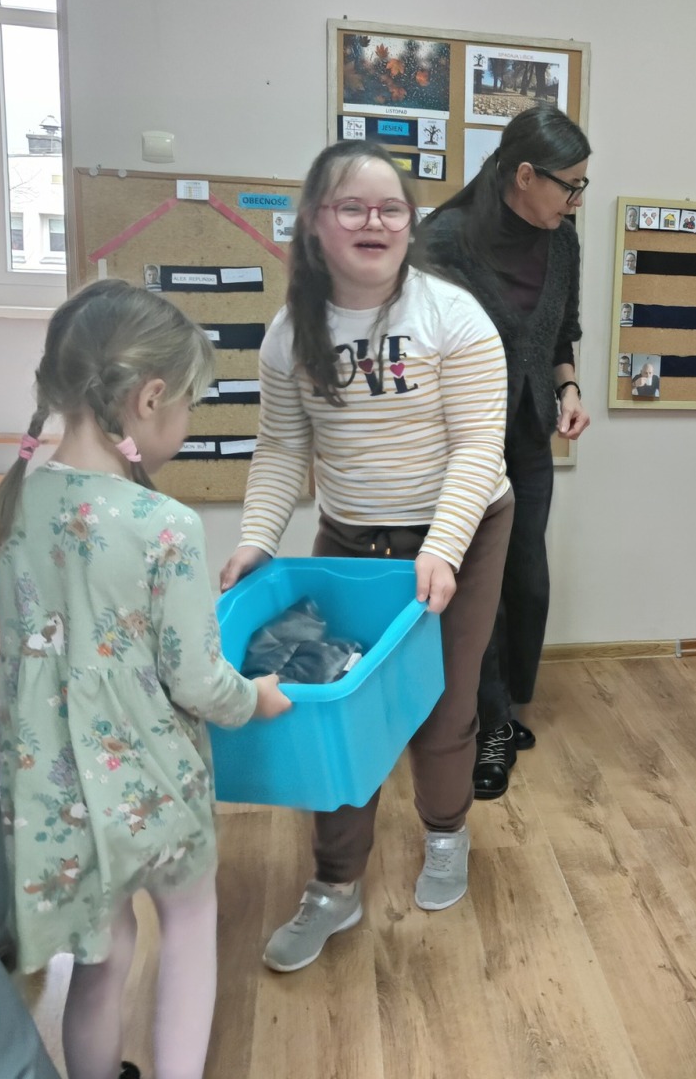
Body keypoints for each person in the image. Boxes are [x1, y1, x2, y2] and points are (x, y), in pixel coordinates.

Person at [0, 280, 292, 1079]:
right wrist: (255, 699)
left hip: (54, 792)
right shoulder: (164, 526)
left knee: (103, 954)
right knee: (188, 926)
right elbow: (198, 680)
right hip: (151, 787)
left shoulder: (10, 508)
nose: (186, 421)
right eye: (189, 404)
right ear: (149, 399)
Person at [218, 141, 514, 972]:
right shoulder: (290, 333)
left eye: (390, 208)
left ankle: (446, 835)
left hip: (463, 530)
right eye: (351, 207)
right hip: (352, 539)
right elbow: (282, 447)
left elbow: (478, 447)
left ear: (410, 223)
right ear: (316, 224)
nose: (373, 222)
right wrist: (256, 539)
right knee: (330, 706)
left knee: (444, 705)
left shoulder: (453, 317)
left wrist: (444, 548)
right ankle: (334, 884)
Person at [417, 106, 589, 799]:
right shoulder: (445, 240)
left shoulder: (563, 240)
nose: (577, 200)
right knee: (476, 586)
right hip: (461, 443)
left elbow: (560, 331)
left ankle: (505, 705)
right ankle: (484, 724)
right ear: (524, 175)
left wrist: (568, 388)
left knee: (526, 579)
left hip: (528, 433)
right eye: (570, 186)